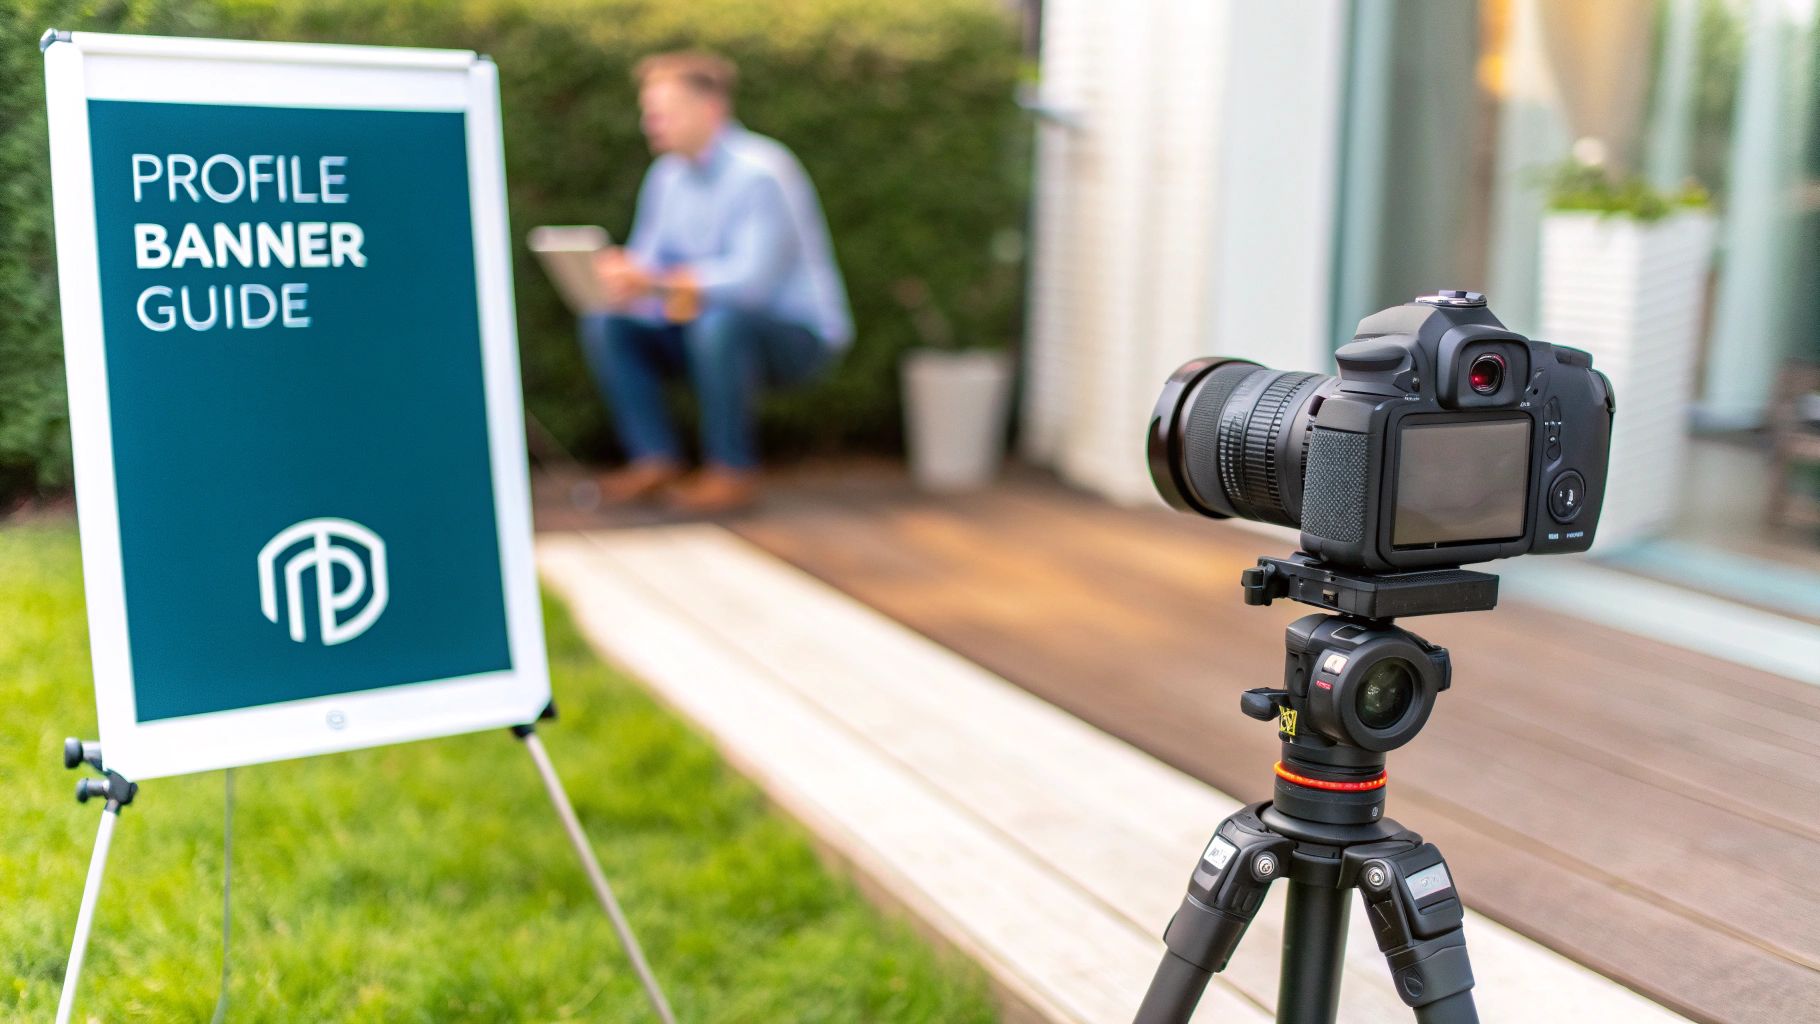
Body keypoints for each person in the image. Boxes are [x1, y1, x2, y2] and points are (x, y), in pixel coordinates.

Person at [582, 51, 852, 513]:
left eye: (664, 113)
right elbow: (649, 266)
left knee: (720, 321)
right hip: (701, 327)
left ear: (710, 110)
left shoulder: (762, 172)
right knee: (608, 324)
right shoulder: (666, 177)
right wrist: (626, 282)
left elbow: (752, 285)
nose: (652, 124)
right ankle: (655, 460)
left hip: (795, 338)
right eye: (649, 113)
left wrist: (657, 282)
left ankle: (732, 472)